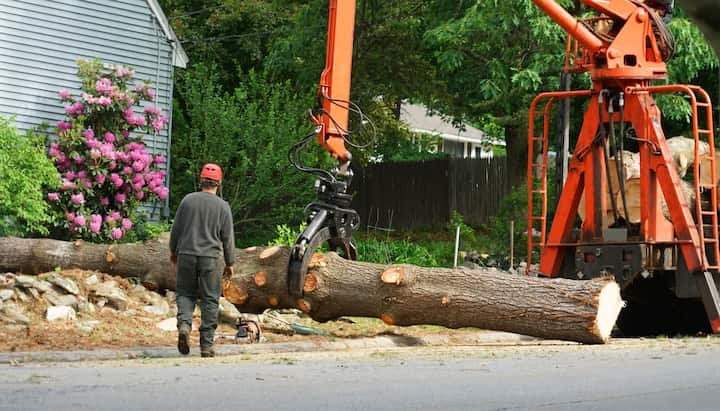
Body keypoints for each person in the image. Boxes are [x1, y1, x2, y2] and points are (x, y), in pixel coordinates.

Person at [169, 163, 235, 358]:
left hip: (186, 255)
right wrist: (230, 263)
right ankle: (206, 346)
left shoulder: (187, 201)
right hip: (211, 258)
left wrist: (174, 251)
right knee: (210, 299)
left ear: (201, 181)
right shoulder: (223, 207)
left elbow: (176, 230)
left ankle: (184, 326)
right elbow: (228, 238)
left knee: (185, 294)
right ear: (219, 183)